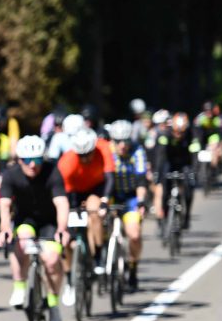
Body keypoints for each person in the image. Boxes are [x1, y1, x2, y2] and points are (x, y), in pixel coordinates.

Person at [0, 136, 70, 321]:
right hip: (26, 220)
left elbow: (61, 202)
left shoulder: (52, 171)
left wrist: (62, 229)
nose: (32, 165)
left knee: (52, 261)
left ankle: (53, 303)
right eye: (27, 160)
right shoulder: (11, 175)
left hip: (49, 222)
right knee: (21, 241)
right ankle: (19, 286)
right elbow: (4, 204)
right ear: (19, 160)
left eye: (37, 160)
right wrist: (5, 229)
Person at [56, 127, 115, 280]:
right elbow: (61, 192)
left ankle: (98, 254)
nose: (85, 159)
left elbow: (110, 177)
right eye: (81, 156)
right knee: (67, 232)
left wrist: (105, 200)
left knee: (94, 211)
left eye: (88, 154)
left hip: (96, 187)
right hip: (74, 192)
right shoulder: (67, 162)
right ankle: (71, 273)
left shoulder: (103, 148)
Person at [107, 120, 148, 291]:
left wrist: (141, 201)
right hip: (111, 196)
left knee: (134, 234)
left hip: (131, 197)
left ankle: (132, 266)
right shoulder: (107, 152)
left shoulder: (137, 151)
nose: (122, 145)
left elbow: (141, 180)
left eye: (126, 141)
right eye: (118, 141)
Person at [156, 112, 200, 230]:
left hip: (185, 163)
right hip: (169, 163)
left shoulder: (191, 135)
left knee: (189, 188)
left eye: (181, 132)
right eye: (176, 132)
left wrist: (194, 172)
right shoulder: (166, 135)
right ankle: (165, 217)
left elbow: (195, 156)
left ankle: (187, 216)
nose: (178, 135)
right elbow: (160, 155)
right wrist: (158, 173)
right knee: (165, 190)